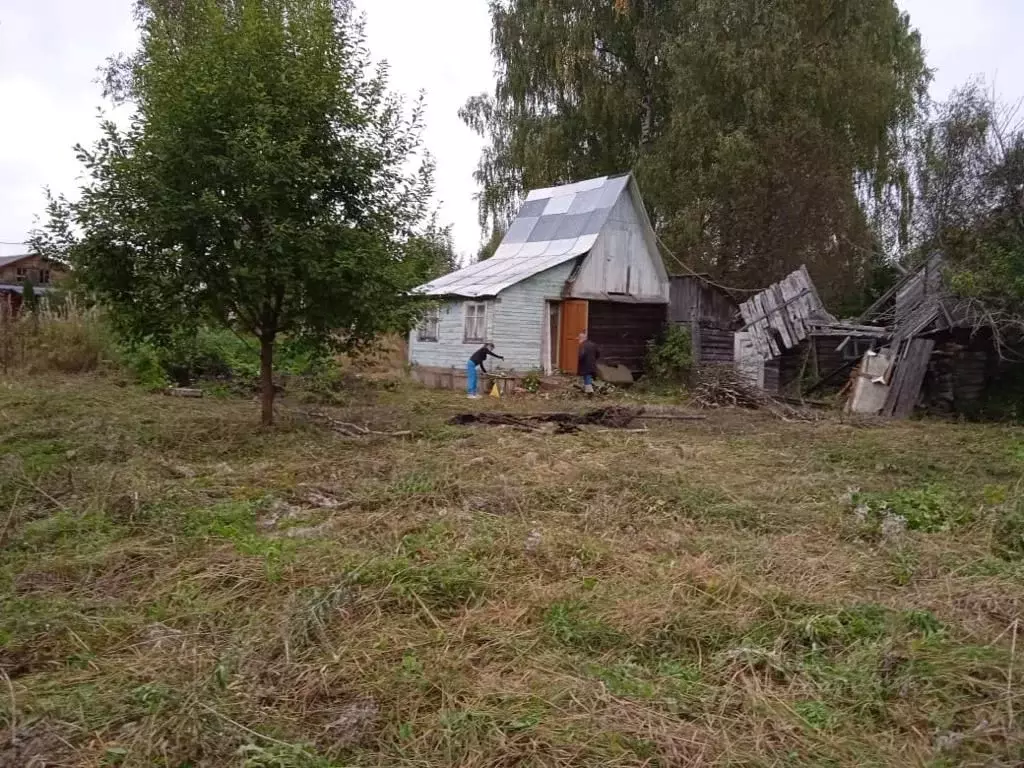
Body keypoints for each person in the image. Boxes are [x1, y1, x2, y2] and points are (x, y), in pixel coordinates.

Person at [577, 330, 600, 395]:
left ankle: (589, 391)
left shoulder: (582, 345)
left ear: (581, 338)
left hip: (585, 364)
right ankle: (587, 389)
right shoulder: (593, 344)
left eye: (579, 338)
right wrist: (594, 359)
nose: (578, 339)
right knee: (588, 376)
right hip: (592, 364)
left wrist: (578, 360)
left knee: (587, 376)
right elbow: (598, 353)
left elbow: (581, 355)